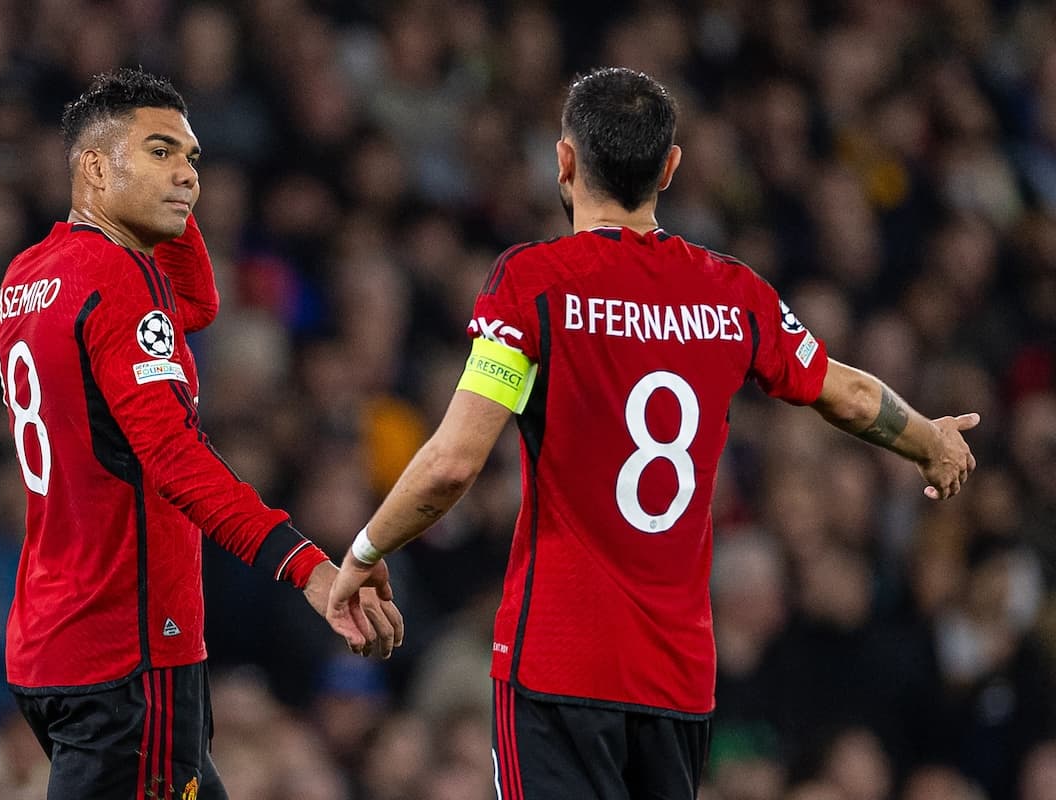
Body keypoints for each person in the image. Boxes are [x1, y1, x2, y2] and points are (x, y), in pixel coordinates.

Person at [326, 67, 978, 800]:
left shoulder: (534, 285)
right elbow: (850, 395)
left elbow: (452, 464)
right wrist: (931, 440)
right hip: (677, 678)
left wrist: (363, 550)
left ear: (564, 162)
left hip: (557, 664)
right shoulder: (733, 295)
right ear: (670, 167)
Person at [0, 68, 402, 800]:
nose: (186, 175)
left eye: (193, 159)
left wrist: (165, 204)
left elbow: (196, 305)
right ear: (93, 167)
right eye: (159, 153)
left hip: (52, 638)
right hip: (130, 651)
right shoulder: (118, 278)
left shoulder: (29, 273)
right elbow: (175, 456)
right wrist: (305, 566)